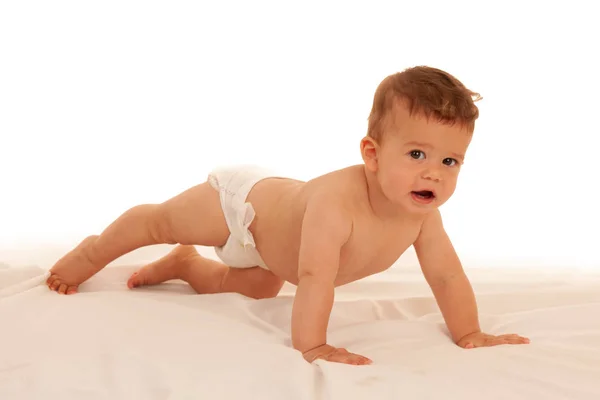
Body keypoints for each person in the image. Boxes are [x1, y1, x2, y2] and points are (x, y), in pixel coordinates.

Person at [46, 66, 530, 365]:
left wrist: (469, 332)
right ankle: (91, 252)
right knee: (159, 221)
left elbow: (446, 276)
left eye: (450, 161)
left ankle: (184, 265)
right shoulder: (336, 203)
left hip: (270, 256)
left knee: (252, 288)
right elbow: (315, 275)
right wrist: (313, 345)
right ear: (373, 153)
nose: (435, 174)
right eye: (417, 154)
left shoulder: (423, 216)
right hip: (244, 207)